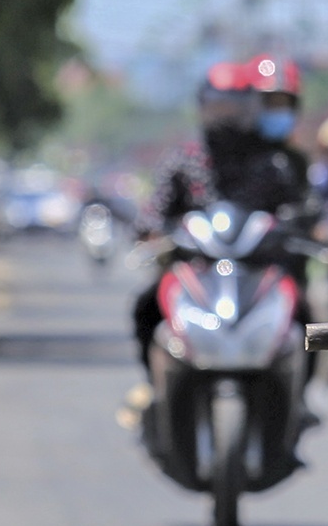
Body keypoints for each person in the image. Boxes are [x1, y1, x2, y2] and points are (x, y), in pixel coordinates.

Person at [131, 57, 310, 370]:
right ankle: (155, 390)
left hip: (257, 271)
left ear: (250, 109)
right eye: (219, 107)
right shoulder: (184, 160)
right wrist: (154, 231)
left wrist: (292, 226)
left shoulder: (271, 163)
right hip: (194, 272)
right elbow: (154, 211)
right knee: (145, 307)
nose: (226, 116)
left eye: (235, 107)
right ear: (203, 107)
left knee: (306, 314)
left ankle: (298, 400)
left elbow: (298, 207)